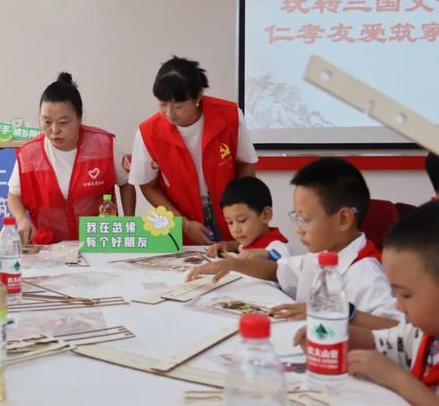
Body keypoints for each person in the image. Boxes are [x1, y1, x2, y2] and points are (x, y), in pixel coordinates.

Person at [188, 157, 401, 328]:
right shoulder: (318, 256)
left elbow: (396, 329)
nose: (298, 228)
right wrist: (233, 264)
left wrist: (332, 311)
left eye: (305, 219)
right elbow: (277, 270)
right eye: (296, 217)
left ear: (343, 219)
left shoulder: (366, 272)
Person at [294, 201, 439, 403]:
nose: (398, 306)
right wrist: (335, 334)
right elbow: (386, 340)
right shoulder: (423, 334)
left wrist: (395, 378)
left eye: (406, 295)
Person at [129, 56, 258, 245]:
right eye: (162, 104)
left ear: (198, 97)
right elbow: (148, 186)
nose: (169, 114)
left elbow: (245, 164)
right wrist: (183, 224)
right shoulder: (148, 132)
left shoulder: (229, 116)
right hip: (182, 222)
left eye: (178, 106)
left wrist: (243, 213)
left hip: (232, 219)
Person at [8, 72, 136, 244]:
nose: (54, 130)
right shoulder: (29, 154)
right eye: (46, 122)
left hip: (99, 243)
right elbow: (14, 195)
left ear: (79, 118)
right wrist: (22, 219)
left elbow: (127, 183)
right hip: (49, 247)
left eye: (63, 123)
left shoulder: (103, 145)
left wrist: (128, 224)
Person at [206, 176, 290, 261]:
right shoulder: (250, 240)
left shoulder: (277, 246)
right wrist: (226, 245)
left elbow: (283, 259)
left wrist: (264, 254)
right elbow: (239, 246)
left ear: (266, 215)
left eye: (242, 220)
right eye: (230, 222)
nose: (235, 229)